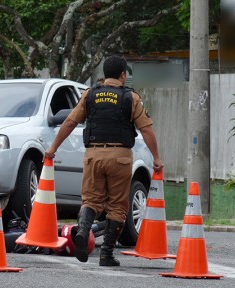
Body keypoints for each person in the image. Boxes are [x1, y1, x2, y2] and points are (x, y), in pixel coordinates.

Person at [45, 55, 163, 266]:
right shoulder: (131, 97)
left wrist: (53, 148)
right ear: (123, 75)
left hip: (93, 155)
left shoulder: (90, 95)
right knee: (117, 206)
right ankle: (106, 254)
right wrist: (156, 158)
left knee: (90, 200)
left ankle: (82, 230)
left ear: (104, 75)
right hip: (120, 157)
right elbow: (146, 129)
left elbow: (70, 122)